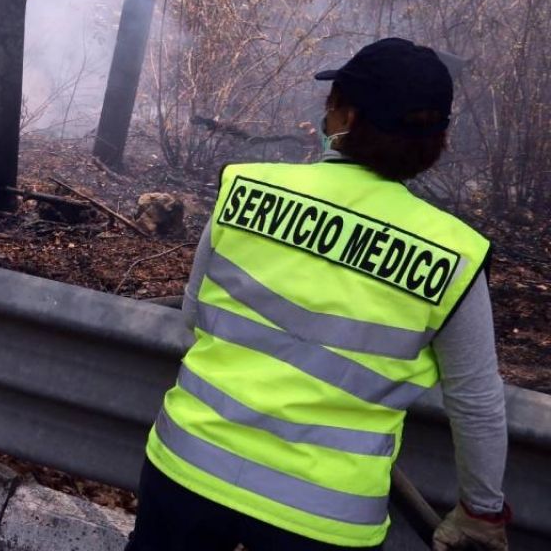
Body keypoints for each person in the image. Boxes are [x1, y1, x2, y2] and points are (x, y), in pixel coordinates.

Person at [126, 38, 510, 551]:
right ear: (436, 140)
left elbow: (195, 313)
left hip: (189, 471)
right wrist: (480, 514)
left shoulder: (246, 188)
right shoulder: (455, 255)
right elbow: (477, 403)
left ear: (345, 116)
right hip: (326, 515)